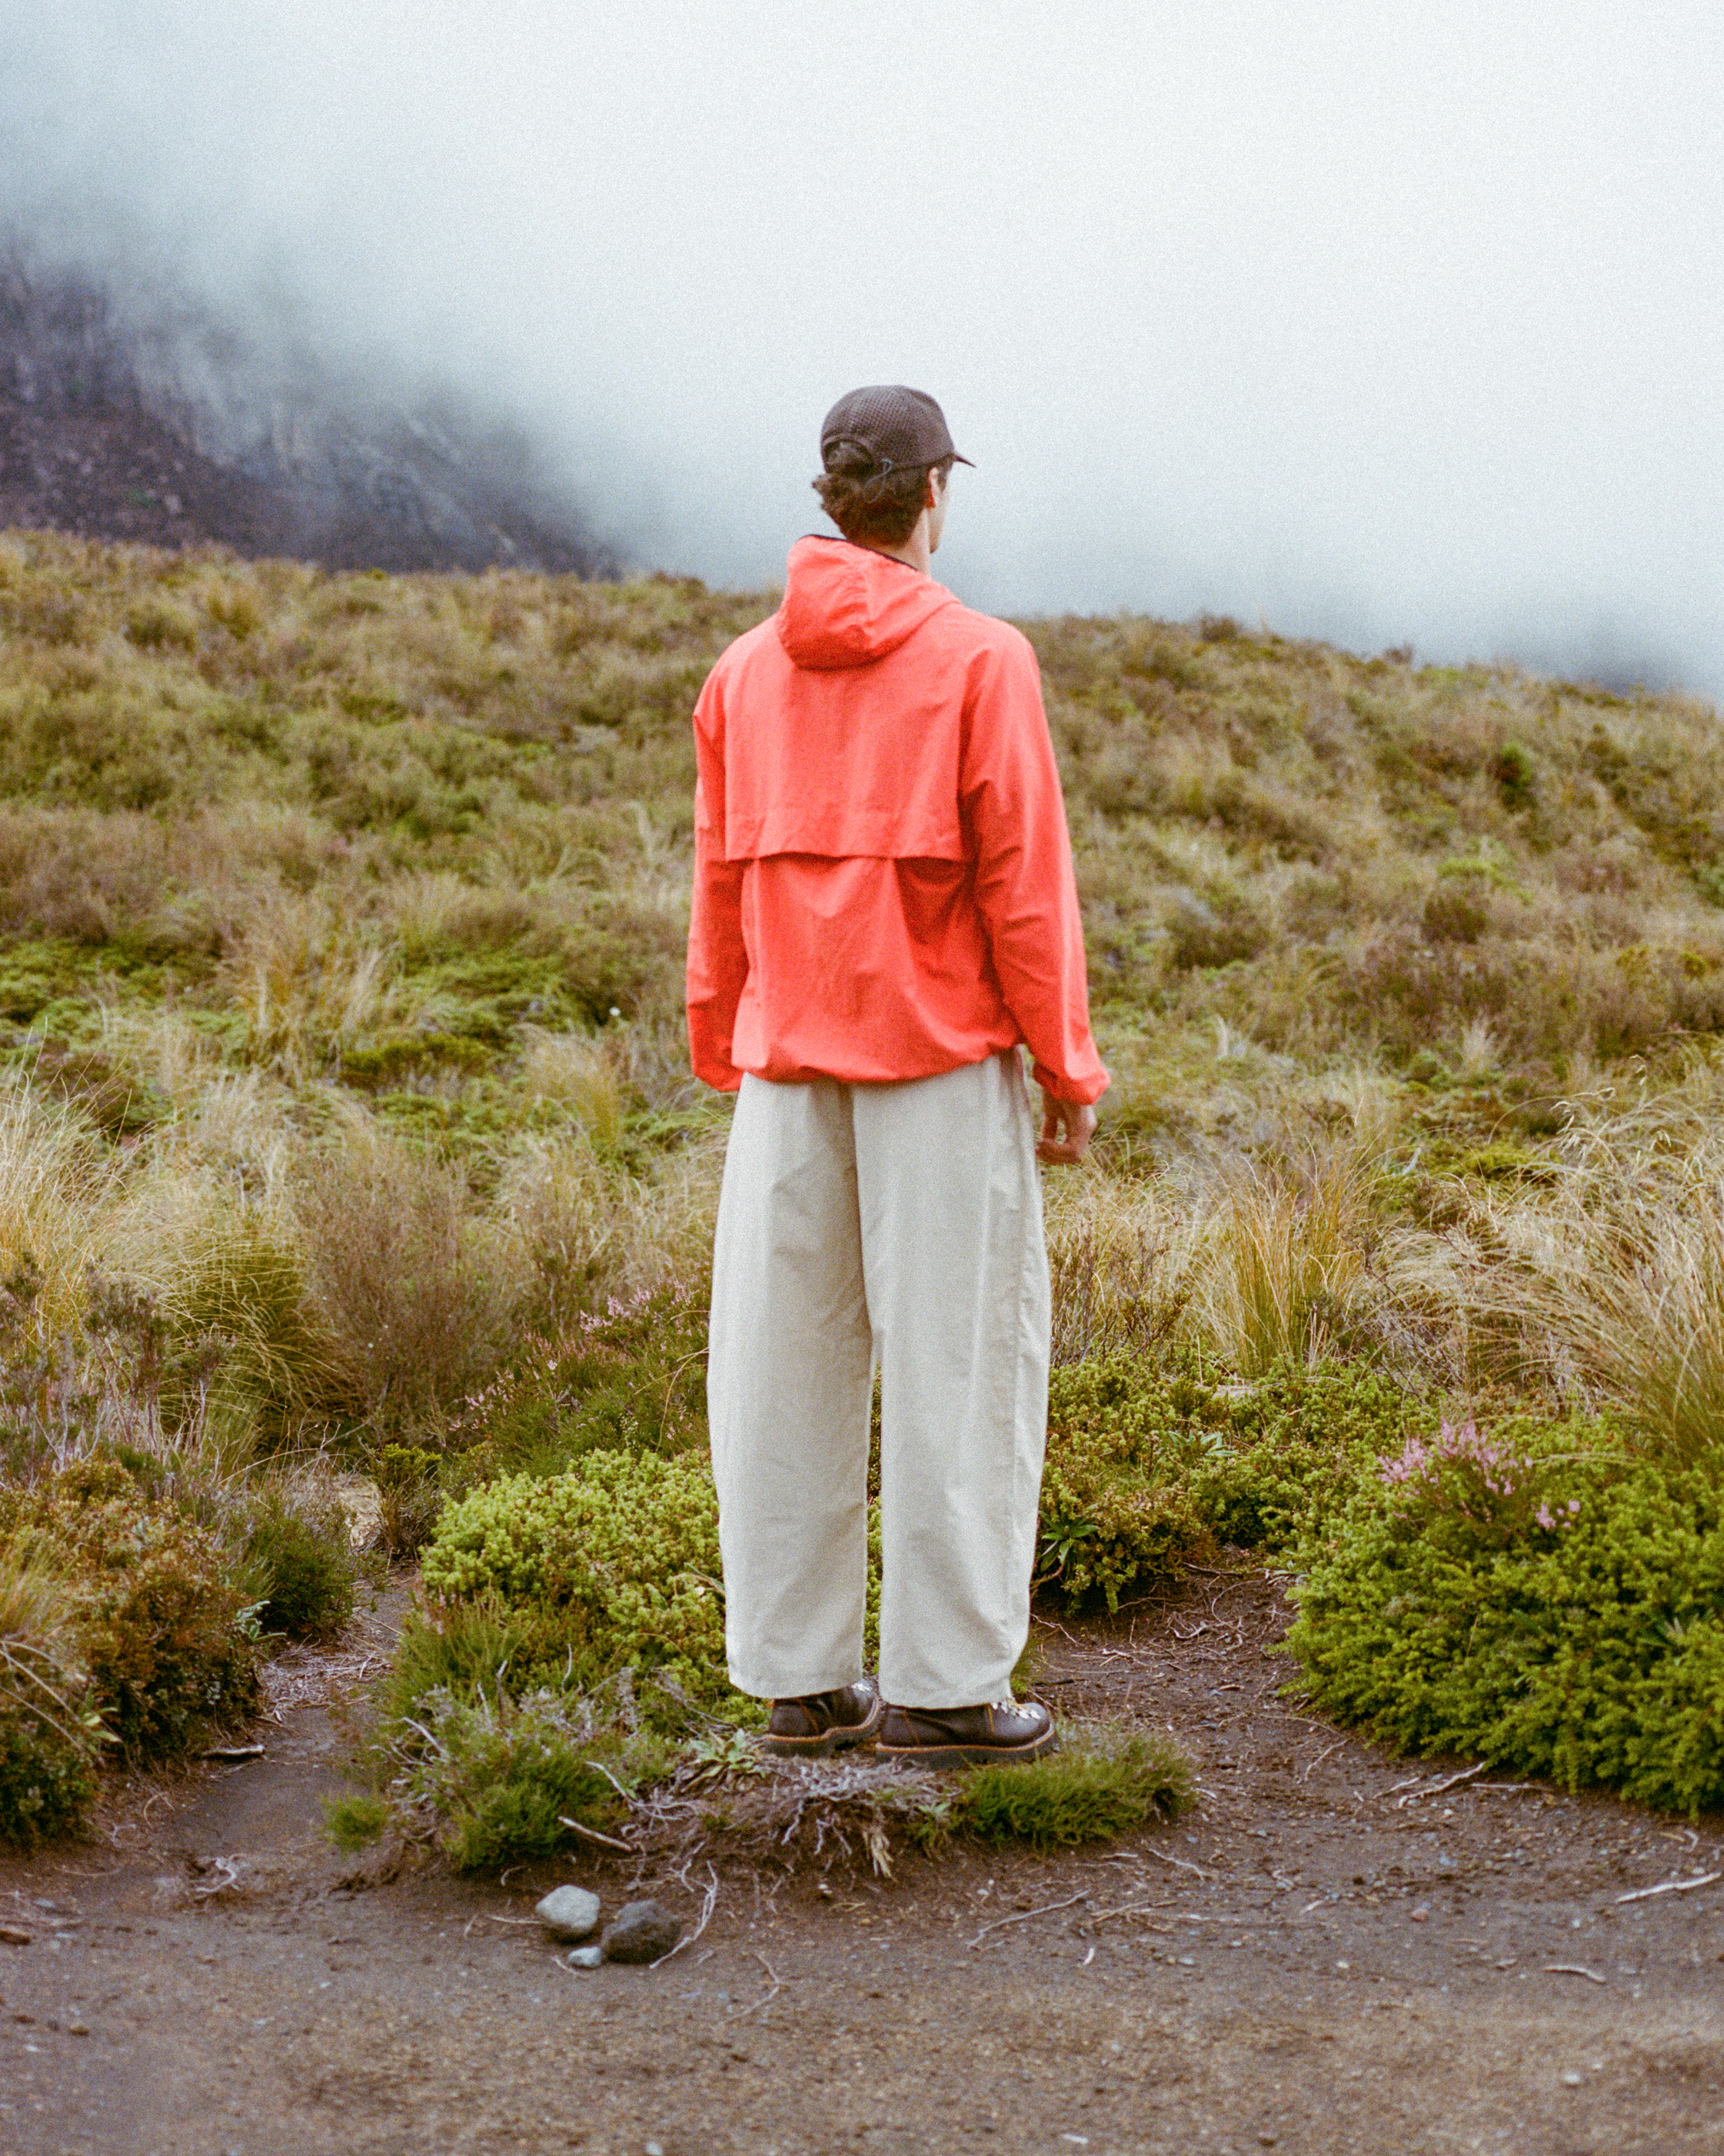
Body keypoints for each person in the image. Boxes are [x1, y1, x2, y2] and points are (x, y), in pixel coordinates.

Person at [686, 384, 1107, 1766]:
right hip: (935, 1068)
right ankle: (947, 1689)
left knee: (778, 1371)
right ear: (932, 492)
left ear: (833, 496)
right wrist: (1064, 1064)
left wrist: (721, 1036)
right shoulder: (983, 660)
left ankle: (799, 1684)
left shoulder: (742, 674)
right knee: (960, 1367)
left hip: (784, 1071)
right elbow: (1024, 886)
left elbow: (718, 884)